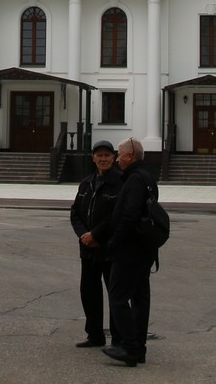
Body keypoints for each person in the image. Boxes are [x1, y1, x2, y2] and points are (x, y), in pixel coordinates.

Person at [103, 137, 157, 367]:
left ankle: (130, 347)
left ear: (130, 157)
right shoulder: (147, 177)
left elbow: (130, 214)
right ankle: (139, 348)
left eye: (119, 154)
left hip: (130, 250)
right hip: (144, 249)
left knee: (117, 295)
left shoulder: (135, 179)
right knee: (140, 297)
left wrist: (115, 241)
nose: (117, 158)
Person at [70, 140, 122, 348]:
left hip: (108, 249)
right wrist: (83, 234)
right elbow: (75, 212)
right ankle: (95, 334)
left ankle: (118, 337)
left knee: (115, 294)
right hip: (88, 249)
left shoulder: (120, 183)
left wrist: (96, 235)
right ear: (93, 158)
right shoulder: (86, 183)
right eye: (99, 155)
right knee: (89, 292)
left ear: (114, 158)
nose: (103, 159)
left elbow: (115, 215)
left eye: (107, 156)